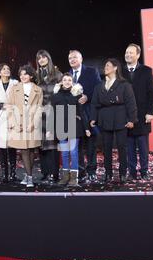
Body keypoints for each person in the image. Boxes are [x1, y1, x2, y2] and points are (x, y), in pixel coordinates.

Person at [90, 59, 137, 184]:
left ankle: (122, 173)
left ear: (116, 68)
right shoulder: (99, 86)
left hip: (121, 119)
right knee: (106, 148)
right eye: (105, 65)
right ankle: (108, 173)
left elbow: (131, 103)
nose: (105, 67)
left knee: (122, 147)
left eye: (108, 65)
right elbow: (94, 103)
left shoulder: (124, 84)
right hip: (104, 120)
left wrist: (132, 119)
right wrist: (93, 118)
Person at [122, 44, 153, 181]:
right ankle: (132, 172)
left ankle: (144, 171)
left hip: (142, 115)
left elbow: (152, 93)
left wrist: (150, 112)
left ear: (138, 55)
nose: (128, 55)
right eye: (126, 52)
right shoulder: (120, 71)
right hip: (126, 115)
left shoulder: (147, 71)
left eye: (131, 53)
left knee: (142, 146)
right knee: (129, 146)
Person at [68, 50, 102, 182]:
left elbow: (98, 90)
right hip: (74, 115)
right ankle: (80, 171)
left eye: (75, 57)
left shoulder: (92, 71)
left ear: (81, 59)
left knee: (91, 144)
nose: (72, 60)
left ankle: (92, 170)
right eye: (70, 58)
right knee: (77, 144)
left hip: (88, 113)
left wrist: (88, 97)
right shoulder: (67, 75)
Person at [52, 73, 91, 187]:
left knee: (73, 152)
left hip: (74, 126)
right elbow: (53, 113)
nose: (67, 82)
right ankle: (65, 177)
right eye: (65, 80)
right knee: (64, 153)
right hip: (61, 126)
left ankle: (74, 179)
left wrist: (86, 128)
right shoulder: (56, 96)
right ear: (61, 82)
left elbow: (82, 112)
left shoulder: (77, 95)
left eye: (69, 80)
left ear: (72, 82)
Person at [7, 64, 43, 188]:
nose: (23, 76)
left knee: (31, 150)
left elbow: (39, 108)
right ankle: (30, 177)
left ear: (31, 75)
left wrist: (34, 123)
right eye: (21, 74)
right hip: (19, 124)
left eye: (25, 74)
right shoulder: (14, 88)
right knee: (24, 150)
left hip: (32, 123)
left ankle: (28, 176)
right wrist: (14, 124)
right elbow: (9, 107)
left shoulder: (38, 89)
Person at [36, 50, 62, 184]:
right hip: (40, 114)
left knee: (52, 145)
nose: (41, 60)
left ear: (48, 58)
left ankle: (55, 173)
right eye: (39, 58)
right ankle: (45, 173)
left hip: (53, 112)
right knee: (42, 145)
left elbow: (62, 93)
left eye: (43, 57)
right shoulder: (36, 76)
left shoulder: (57, 74)